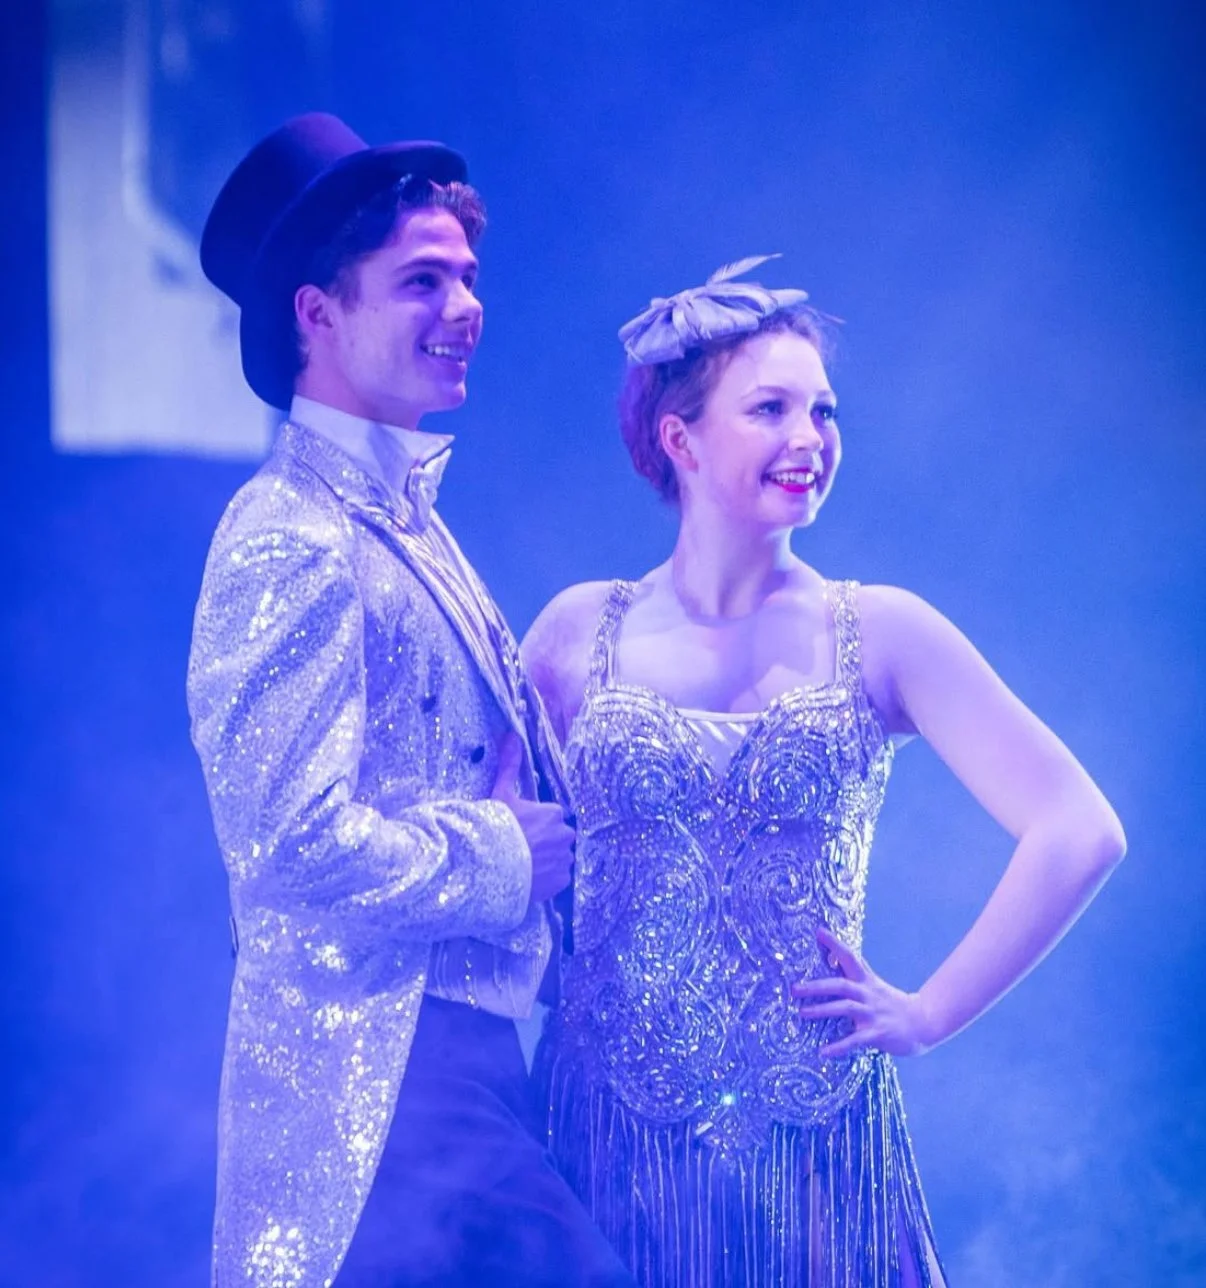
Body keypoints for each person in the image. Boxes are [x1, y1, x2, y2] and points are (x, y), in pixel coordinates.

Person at [521, 256, 1127, 1287]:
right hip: (607, 1142)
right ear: (680, 439)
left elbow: (1078, 828)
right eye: (771, 409)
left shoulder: (881, 630)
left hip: (815, 1152)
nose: (810, 437)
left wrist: (927, 1012)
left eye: (824, 411)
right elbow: (501, 863)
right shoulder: (578, 632)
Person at [188, 113, 634, 1288]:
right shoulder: (290, 533)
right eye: (421, 280)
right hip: (381, 1083)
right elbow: (286, 847)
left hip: (465, 1067)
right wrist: (500, 851)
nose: (466, 306)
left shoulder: (405, 526)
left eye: (468, 276)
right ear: (317, 313)